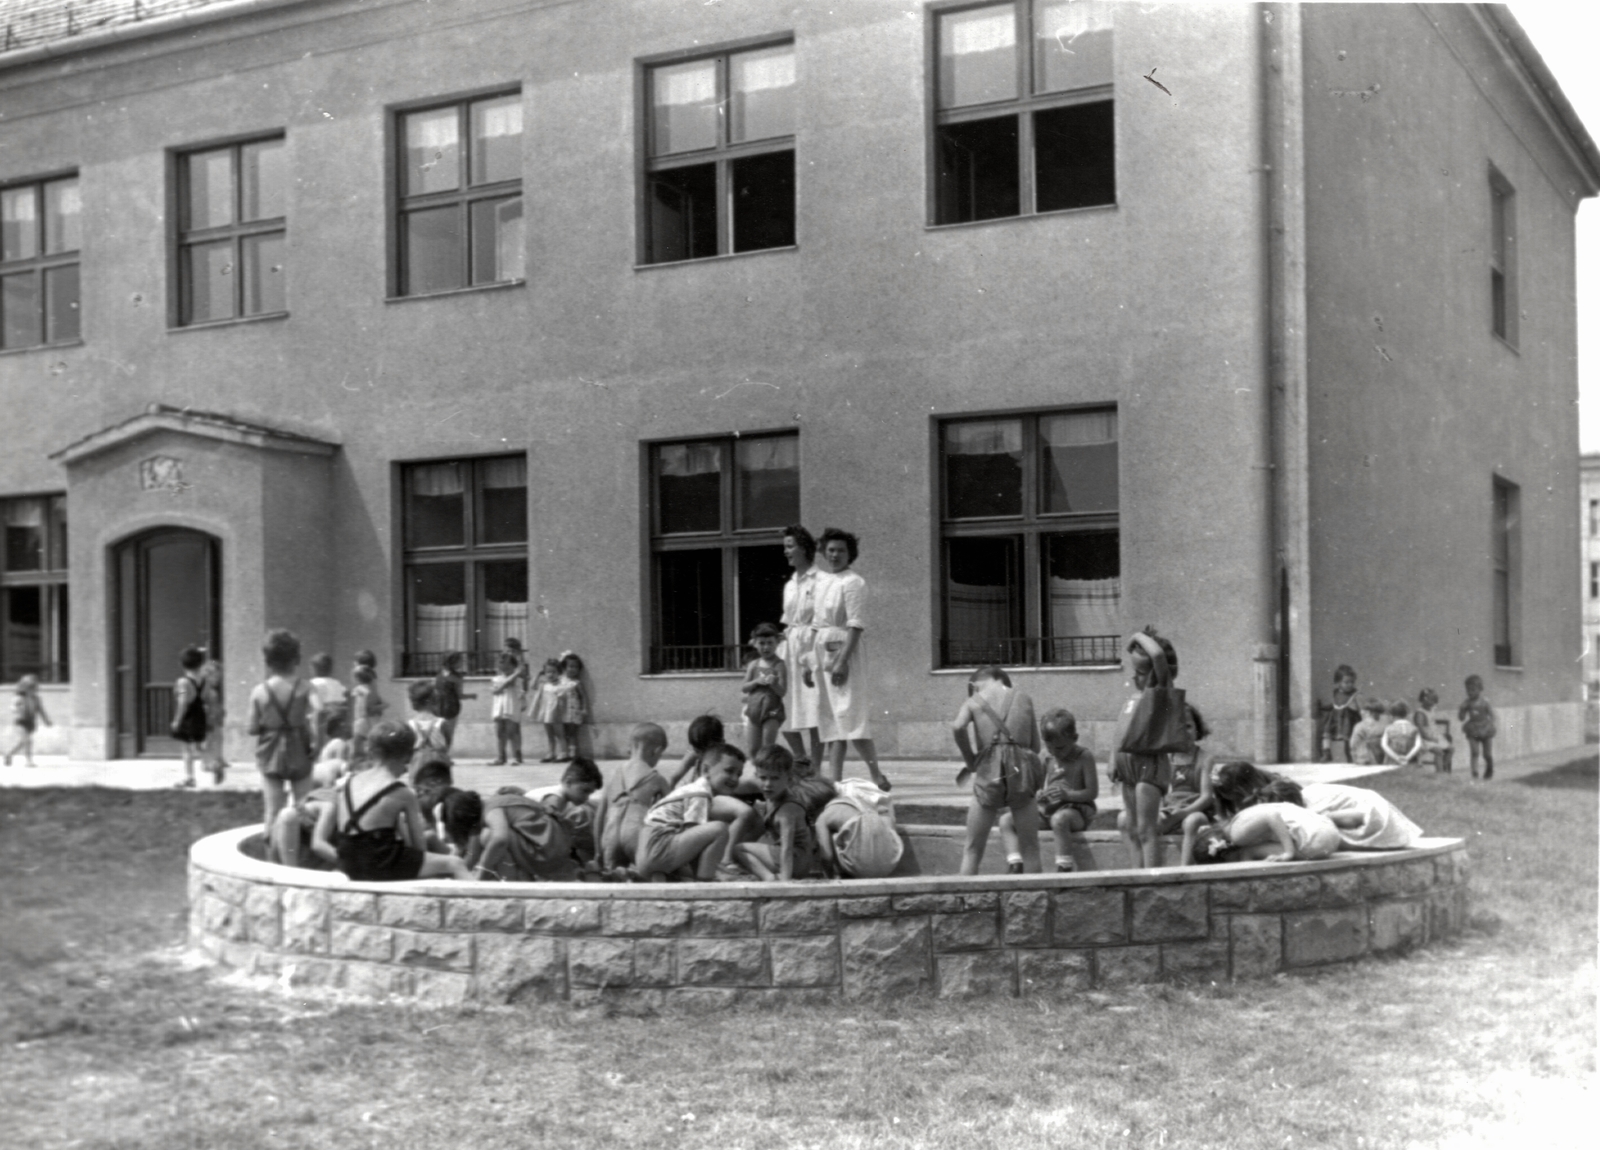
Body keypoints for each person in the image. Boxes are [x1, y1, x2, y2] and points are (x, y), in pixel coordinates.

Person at [311, 720, 470, 882]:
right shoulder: (401, 792)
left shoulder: (348, 783)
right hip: (379, 864)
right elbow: (419, 848)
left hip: (349, 863)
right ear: (406, 755)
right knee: (455, 864)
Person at [813, 527, 890, 792]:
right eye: (831, 550)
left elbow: (855, 624)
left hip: (844, 650)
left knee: (851, 716)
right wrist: (809, 662)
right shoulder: (821, 582)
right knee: (831, 719)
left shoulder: (853, 581)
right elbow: (815, 624)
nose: (835, 555)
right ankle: (834, 780)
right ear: (824, 552)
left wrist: (842, 660)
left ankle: (876, 775)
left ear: (850, 554)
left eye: (841, 551)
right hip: (823, 651)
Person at [952, 665, 1042, 875]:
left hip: (988, 771)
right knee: (1030, 847)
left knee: (973, 849)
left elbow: (958, 727)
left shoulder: (974, 700)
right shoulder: (1024, 697)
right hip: (1020, 771)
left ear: (975, 685)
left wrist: (971, 761)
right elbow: (1035, 747)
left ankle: (966, 903)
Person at [1112, 628, 1184, 869]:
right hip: (1128, 767)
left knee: (1146, 829)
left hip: (1148, 767)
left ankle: (1152, 879)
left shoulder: (1159, 692)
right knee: (1132, 828)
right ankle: (1136, 877)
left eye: (1141, 672)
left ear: (1155, 672)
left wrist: (1135, 636)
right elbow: (1120, 733)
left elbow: (1158, 656)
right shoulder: (1132, 699)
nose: (1135, 678)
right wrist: (1113, 760)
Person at [636, 744, 750, 881]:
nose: (735, 779)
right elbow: (693, 835)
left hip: (645, 853)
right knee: (720, 829)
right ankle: (705, 882)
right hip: (658, 846)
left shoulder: (691, 789)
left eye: (739, 774)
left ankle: (665, 875)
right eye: (729, 771)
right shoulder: (700, 794)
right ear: (706, 769)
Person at [246, 629, 317, 846]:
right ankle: (305, 852)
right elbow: (320, 710)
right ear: (296, 659)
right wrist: (317, 740)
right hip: (298, 746)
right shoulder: (305, 686)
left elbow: (252, 728)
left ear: (267, 661)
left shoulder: (260, 690)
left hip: (270, 749)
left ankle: (272, 853)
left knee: (273, 809)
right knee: (304, 805)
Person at [732, 746, 823, 881]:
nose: (768, 784)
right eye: (763, 778)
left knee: (738, 849)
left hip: (795, 860)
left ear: (788, 778)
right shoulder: (773, 798)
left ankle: (770, 878)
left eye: (775, 778)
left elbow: (787, 847)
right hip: (795, 859)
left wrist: (785, 881)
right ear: (756, 775)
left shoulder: (788, 810)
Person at [778, 524, 824, 771]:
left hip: (810, 646)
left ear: (804, 548)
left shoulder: (820, 580)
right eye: (784, 547)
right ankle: (800, 759)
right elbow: (787, 619)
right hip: (788, 646)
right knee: (782, 707)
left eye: (789, 546)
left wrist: (812, 654)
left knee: (813, 710)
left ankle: (816, 769)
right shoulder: (789, 584)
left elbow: (821, 618)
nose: (785, 551)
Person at [597, 722, 672, 874]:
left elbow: (599, 816)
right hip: (634, 834)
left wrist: (598, 851)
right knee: (651, 870)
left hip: (610, 836)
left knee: (611, 875)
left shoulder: (614, 774)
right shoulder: (656, 778)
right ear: (656, 751)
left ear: (630, 747)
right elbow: (672, 811)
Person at [1035, 707, 1099, 873]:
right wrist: (1039, 795)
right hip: (1051, 809)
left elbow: (1092, 792)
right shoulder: (1046, 756)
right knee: (1009, 820)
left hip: (1076, 811)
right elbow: (1036, 787)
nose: (1056, 753)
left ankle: (1064, 867)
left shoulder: (1084, 757)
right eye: (1050, 748)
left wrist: (1067, 795)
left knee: (1060, 820)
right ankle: (1016, 862)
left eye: (1061, 748)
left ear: (1074, 738)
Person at [1192, 800, 1342, 864]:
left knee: (1248, 853)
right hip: (1328, 831)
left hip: (1317, 840)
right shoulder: (1238, 820)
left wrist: (1288, 852)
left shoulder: (1236, 835)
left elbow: (1272, 816)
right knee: (1248, 852)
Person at [1155, 703, 1214, 866]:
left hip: (1196, 810)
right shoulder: (1166, 758)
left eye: (1188, 726)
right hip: (1171, 811)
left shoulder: (1204, 758)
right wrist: (1162, 809)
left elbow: (1207, 796)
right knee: (1151, 822)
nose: (1183, 732)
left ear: (1197, 729)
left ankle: (1185, 867)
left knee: (1192, 821)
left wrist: (1185, 812)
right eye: (1177, 727)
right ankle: (1153, 866)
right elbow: (1160, 791)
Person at [814, 778, 902, 879]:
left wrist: (828, 878)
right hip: (890, 865)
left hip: (859, 869)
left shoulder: (825, 816)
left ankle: (840, 875)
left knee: (830, 835)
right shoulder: (863, 802)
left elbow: (826, 856)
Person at [525, 757, 605, 866]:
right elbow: (547, 832)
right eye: (584, 791)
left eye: (589, 793)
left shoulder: (562, 797)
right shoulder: (555, 799)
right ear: (568, 782)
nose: (586, 797)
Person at [1300, 782, 1424, 850]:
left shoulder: (1309, 802)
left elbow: (1351, 819)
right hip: (1383, 815)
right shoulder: (1311, 791)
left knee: (1319, 825)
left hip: (1375, 816)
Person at [741, 622, 788, 755]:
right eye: (762, 643)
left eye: (770, 643)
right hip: (754, 710)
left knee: (768, 748)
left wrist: (774, 684)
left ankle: (768, 773)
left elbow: (783, 692)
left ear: (776, 643)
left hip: (771, 711)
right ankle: (758, 775)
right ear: (755, 643)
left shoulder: (779, 665)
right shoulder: (753, 665)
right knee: (753, 749)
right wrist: (756, 681)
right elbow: (744, 688)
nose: (766, 647)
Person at [170, 645, 209, 789]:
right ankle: (211, 763)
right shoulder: (204, 680)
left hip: (188, 717)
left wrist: (176, 721)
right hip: (200, 715)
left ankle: (189, 777)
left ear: (182, 664)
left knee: (186, 749)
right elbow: (205, 697)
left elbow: (182, 702)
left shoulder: (183, 682)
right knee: (198, 745)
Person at [663, 713, 725, 787]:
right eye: (697, 750)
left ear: (721, 744)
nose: (701, 754)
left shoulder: (726, 760)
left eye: (705, 750)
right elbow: (673, 778)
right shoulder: (694, 755)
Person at [4, 674, 52, 768]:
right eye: (29, 688)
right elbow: (12, 707)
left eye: (34, 688)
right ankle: (28, 761)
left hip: (31, 723)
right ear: (24, 688)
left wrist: (46, 720)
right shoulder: (19, 698)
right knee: (28, 741)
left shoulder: (37, 699)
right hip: (20, 722)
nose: (32, 690)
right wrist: (16, 709)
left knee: (23, 742)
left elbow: (41, 710)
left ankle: (8, 754)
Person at [432, 651, 475, 753]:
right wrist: (471, 696)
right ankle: (444, 755)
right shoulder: (457, 678)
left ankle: (440, 755)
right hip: (451, 707)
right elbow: (459, 695)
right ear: (452, 661)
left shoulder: (439, 674)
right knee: (448, 734)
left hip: (438, 707)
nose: (462, 663)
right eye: (460, 660)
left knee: (438, 733)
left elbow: (435, 690)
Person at [307, 652, 348, 758]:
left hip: (321, 719)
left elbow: (314, 705)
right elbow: (344, 698)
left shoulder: (313, 683)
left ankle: (317, 750)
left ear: (314, 669)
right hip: (338, 718)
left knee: (318, 748)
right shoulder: (337, 683)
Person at [489, 650, 526, 765]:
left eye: (505, 662)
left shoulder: (518, 680)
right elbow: (496, 690)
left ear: (512, 665)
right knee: (500, 732)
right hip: (499, 708)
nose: (502, 664)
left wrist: (516, 674)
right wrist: (516, 673)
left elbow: (520, 692)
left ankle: (517, 756)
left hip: (511, 707)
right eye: (501, 662)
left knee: (512, 732)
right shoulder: (496, 679)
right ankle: (501, 757)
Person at [406, 680, 450, 775]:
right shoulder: (441, 723)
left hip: (417, 765)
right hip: (439, 765)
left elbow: (408, 747)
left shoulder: (410, 724)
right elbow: (447, 744)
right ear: (433, 700)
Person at [1319, 665, 1361, 763]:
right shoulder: (1336, 693)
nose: (1350, 684)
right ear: (1338, 682)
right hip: (1334, 718)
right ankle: (1326, 753)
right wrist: (1323, 707)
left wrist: (1358, 712)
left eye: (1352, 682)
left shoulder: (1354, 694)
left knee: (1348, 740)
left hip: (1348, 719)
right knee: (1326, 734)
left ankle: (1351, 757)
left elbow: (1359, 708)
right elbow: (1335, 704)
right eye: (1346, 682)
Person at [1458, 675, 1496, 781]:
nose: (1470, 692)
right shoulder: (1467, 703)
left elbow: (1492, 716)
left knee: (1487, 754)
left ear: (1480, 689)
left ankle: (1489, 768)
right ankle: (1474, 772)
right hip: (1473, 729)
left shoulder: (1485, 702)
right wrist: (1461, 709)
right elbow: (1461, 718)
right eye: (1468, 690)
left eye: (1473, 690)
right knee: (1474, 752)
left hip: (1485, 728)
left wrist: (1490, 725)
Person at [526, 657, 564, 761]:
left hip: (556, 712)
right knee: (549, 733)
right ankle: (551, 753)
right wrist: (538, 674)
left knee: (559, 733)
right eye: (548, 672)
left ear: (559, 672)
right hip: (546, 711)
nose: (550, 674)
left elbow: (562, 696)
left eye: (553, 672)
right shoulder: (544, 684)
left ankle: (563, 752)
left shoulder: (560, 683)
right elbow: (532, 686)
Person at [199, 655, 228, 783]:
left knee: (217, 740)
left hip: (215, 720)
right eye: (216, 677)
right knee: (209, 742)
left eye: (219, 677)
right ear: (208, 676)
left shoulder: (213, 691)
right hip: (209, 721)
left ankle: (216, 760)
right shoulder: (206, 691)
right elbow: (204, 706)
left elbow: (216, 706)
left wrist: (221, 712)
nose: (218, 679)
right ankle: (209, 763)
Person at [349, 664, 386, 763]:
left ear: (357, 678)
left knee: (357, 744)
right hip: (372, 720)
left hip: (361, 719)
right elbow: (381, 703)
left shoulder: (359, 690)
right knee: (371, 744)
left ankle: (357, 763)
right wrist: (381, 707)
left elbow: (364, 708)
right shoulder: (372, 690)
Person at [1414, 688, 1454, 773]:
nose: (1433, 703)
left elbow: (1432, 721)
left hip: (1434, 736)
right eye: (1431, 700)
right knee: (1439, 752)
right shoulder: (1420, 713)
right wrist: (1431, 739)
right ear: (1424, 699)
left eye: (1434, 701)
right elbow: (1421, 731)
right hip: (1424, 739)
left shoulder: (1431, 709)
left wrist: (1437, 736)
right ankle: (1439, 773)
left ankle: (1443, 768)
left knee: (1451, 749)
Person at [1380, 700, 1424, 767]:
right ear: (1406, 714)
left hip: (1392, 762)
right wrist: (1407, 758)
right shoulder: (1414, 729)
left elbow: (1384, 745)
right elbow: (1418, 745)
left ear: (1392, 716)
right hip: (1410, 762)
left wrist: (1397, 758)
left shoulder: (1388, 729)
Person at [1347, 698, 1389, 767]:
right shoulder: (1385, 725)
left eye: (1362, 710)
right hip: (1382, 759)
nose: (1361, 712)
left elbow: (1353, 744)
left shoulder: (1360, 726)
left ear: (1368, 712)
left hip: (1364, 759)